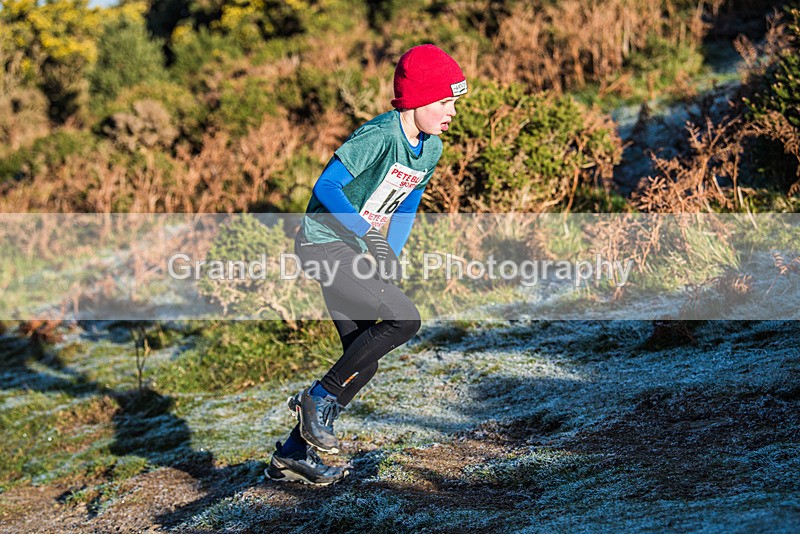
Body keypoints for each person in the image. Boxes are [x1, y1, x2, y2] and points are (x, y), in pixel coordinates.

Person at [266, 44, 467, 486]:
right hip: (324, 245)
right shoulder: (379, 136)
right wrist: (366, 234)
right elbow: (328, 186)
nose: (452, 111)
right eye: (444, 102)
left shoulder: (429, 150)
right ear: (416, 100)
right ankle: (314, 401)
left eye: (455, 102)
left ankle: (291, 456)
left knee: (362, 360)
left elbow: (408, 199)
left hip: (357, 250)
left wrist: (389, 251)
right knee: (403, 319)